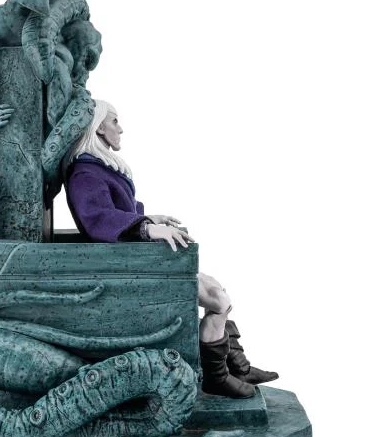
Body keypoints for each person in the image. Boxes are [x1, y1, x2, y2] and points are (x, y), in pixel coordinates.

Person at [64, 99, 279, 399]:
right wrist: (147, 229)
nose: (120, 128)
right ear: (98, 127)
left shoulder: (100, 167)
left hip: (132, 258)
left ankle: (237, 366)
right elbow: (98, 219)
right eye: (114, 121)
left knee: (216, 287)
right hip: (121, 267)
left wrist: (149, 219)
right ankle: (217, 377)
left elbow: (118, 211)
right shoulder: (85, 173)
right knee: (218, 300)